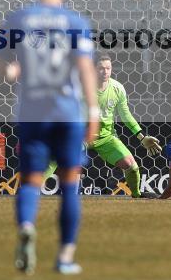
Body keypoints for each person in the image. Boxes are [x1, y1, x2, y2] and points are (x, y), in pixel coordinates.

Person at [0, 0, 99, 275]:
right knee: (70, 183)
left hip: (32, 111)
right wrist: (93, 111)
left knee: (30, 181)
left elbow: (1, 66)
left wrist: (12, 71)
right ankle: (65, 257)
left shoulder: (18, 19)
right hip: (67, 111)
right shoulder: (75, 21)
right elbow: (85, 69)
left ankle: (27, 226)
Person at [44, 54, 161, 198]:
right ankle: (31, 191)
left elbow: (126, 115)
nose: (105, 72)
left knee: (131, 165)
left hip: (106, 138)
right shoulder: (81, 87)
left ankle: (137, 195)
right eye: (101, 68)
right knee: (56, 159)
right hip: (81, 136)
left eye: (108, 68)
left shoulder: (118, 88)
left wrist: (141, 137)